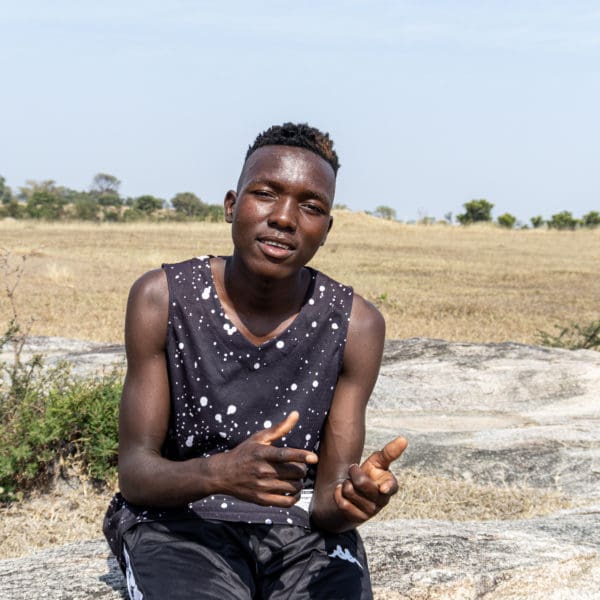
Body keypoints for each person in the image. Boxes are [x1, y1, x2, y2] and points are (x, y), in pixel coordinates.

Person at [103, 122, 407, 599]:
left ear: (326, 229)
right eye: (266, 193)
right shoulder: (161, 300)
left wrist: (353, 502)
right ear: (231, 205)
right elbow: (136, 474)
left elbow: (326, 504)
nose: (285, 217)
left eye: (311, 206)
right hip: (178, 521)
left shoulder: (356, 325)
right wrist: (220, 473)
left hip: (303, 531)